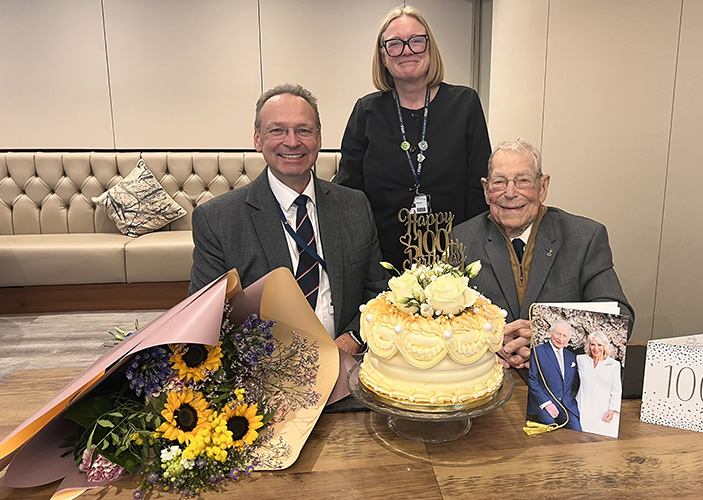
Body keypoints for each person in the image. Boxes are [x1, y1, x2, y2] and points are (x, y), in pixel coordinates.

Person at [189, 83, 387, 355]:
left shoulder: (355, 206)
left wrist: (353, 338)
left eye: (303, 130)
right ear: (258, 139)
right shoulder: (217, 220)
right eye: (277, 130)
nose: (292, 141)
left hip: (348, 364)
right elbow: (204, 321)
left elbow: (377, 292)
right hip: (265, 377)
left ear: (319, 138)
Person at [452, 138, 634, 370]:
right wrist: (486, 344)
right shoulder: (459, 240)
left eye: (523, 181)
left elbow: (621, 320)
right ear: (487, 190)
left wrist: (546, 334)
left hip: (563, 382)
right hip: (487, 377)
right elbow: (440, 322)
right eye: (499, 182)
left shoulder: (584, 238)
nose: (510, 193)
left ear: (543, 186)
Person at [335, 5, 491, 270]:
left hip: (454, 259)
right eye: (394, 44)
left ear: (430, 48)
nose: (407, 50)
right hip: (382, 261)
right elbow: (350, 192)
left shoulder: (465, 104)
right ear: (383, 57)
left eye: (417, 41)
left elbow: (478, 188)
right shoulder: (366, 111)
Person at [526, 321, 581, 431]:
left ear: (568, 339)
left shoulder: (571, 357)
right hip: (544, 404)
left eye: (564, 335)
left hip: (567, 406)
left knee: (577, 430)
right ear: (551, 333)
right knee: (552, 432)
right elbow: (532, 380)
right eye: (558, 334)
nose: (560, 338)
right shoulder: (538, 352)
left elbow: (576, 383)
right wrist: (546, 403)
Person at [576, 331, 622, 438]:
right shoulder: (581, 359)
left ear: (605, 346)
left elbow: (616, 390)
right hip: (583, 408)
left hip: (604, 410)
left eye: (599, 344)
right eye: (593, 344)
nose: (596, 348)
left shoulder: (614, 365)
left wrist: (613, 410)